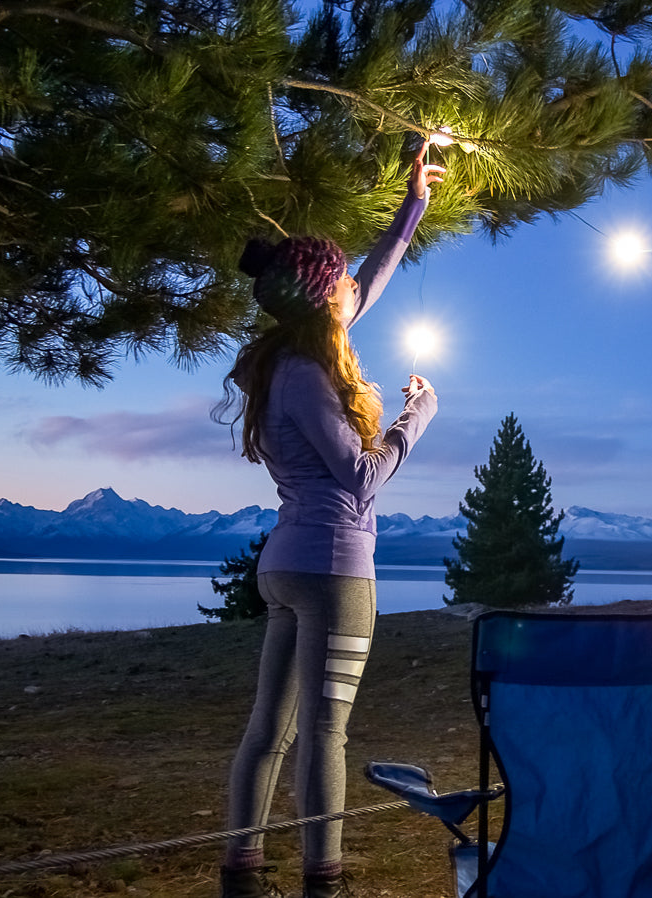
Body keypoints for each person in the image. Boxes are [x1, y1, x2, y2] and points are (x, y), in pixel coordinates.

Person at [216, 143, 443, 898]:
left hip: (286, 568)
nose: (355, 286)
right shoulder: (310, 375)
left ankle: (242, 875)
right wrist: (416, 420)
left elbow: (372, 276)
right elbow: (360, 477)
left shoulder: (297, 354)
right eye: (340, 281)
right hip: (333, 569)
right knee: (322, 733)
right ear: (323, 301)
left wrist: (413, 204)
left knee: (269, 730)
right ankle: (326, 881)